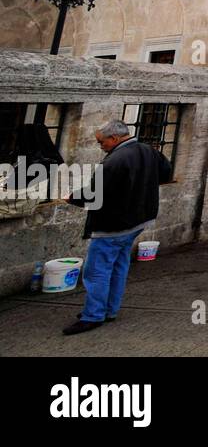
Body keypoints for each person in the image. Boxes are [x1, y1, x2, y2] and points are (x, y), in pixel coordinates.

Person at [63, 120, 172, 336]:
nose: (100, 145)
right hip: (138, 220)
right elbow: (165, 172)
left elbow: (95, 193)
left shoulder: (116, 160)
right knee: (119, 266)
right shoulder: (148, 150)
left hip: (114, 225)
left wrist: (72, 197)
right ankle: (109, 309)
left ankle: (93, 315)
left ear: (114, 139)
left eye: (101, 142)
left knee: (97, 272)